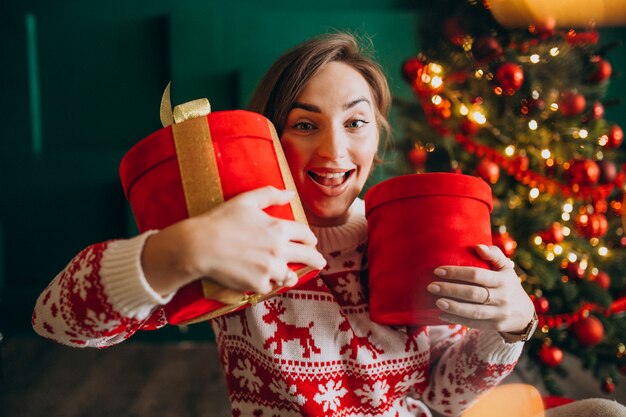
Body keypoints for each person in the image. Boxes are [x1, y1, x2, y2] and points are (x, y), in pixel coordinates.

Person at [32, 32, 592, 417]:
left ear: (378, 136)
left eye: (356, 122)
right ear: (270, 139)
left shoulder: (416, 238)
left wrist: (510, 329)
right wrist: (178, 250)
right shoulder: (236, 238)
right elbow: (54, 321)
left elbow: (444, 399)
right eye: (304, 124)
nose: (334, 150)